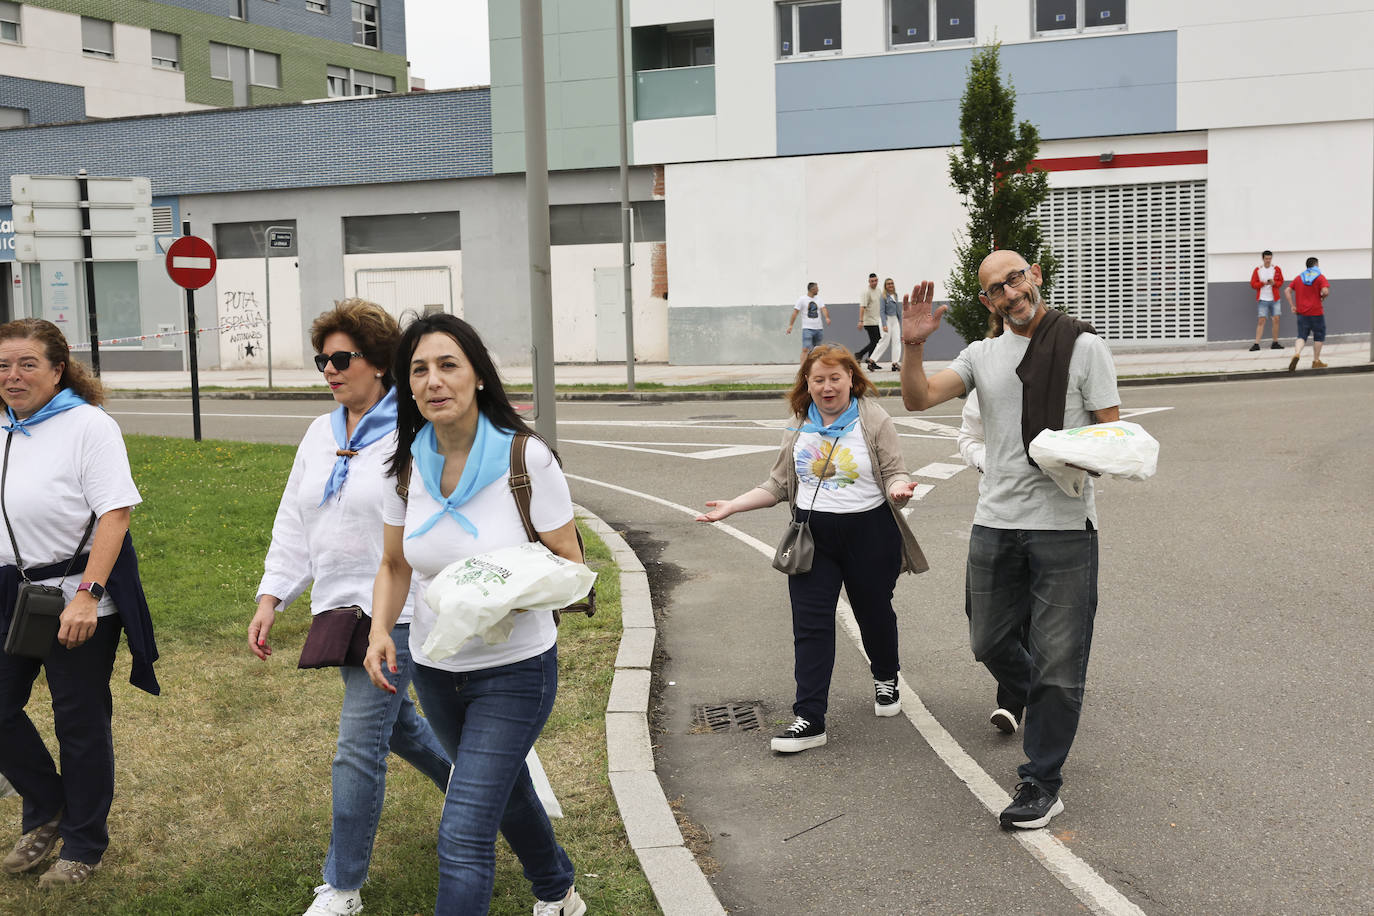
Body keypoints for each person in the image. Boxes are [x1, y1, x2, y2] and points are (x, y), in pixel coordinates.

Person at [363, 314, 585, 916]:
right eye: (419, 370)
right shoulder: (403, 463)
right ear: (407, 386)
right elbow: (392, 564)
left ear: (478, 376)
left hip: (515, 670)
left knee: (463, 832)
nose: (434, 381)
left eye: (448, 365)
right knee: (504, 790)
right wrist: (381, 629)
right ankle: (557, 889)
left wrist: (497, 585)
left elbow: (568, 560)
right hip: (436, 667)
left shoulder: (526, 458)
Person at [899, 251, 1120, 830]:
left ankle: (1041, 781)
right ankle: (1051, 699)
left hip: (1065, 526)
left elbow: (1110, 432)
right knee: (988, 640)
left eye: (1015, 279)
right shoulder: (980, 355)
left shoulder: (1082, 346)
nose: (1010, 293)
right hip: (995, 522)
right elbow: (919, 399)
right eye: (997, 288)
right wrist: (914, 345)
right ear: (987, 302)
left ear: (1035, 276)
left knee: (1059, 660)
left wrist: (1065, 450)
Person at [247, 300, 452, 916]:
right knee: (404, 730)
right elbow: (294, 519)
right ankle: (484, 793)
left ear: (380, 363)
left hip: (406, 611)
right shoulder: (321, 432)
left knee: (358, 744)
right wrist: (272, 594)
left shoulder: (414, 431)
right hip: (342, 610)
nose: (330, 371)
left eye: (343, 358)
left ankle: (341, 887)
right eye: (323, 361)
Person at [696, 344, 927, 754]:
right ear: (807, 383)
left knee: (873, 613)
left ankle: (886, 676)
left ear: (851, 379)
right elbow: (778, 484)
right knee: (811, 623)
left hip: (870, 533)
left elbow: (895, 472)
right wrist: (732, 506)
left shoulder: (873, 419)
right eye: (817, 379)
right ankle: (810, 718)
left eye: (834, 378)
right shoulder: (799, 423)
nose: (826, 387)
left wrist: (899, 489)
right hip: (812, 537)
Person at [0, 318, 157, 888]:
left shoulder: (89, 426)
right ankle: (49, 805)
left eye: (26, 365)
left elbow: (116, 513)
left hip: (73, 593)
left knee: (79, 723)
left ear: (57, 369)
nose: (12, 377)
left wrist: (88, 595)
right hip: (8, 591)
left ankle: (84, 844)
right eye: (2, 366)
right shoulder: (3, 425)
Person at [1283, 257, 1331, 371]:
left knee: (1302, 336)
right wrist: (1322, 297)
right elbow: (1325, 291)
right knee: (1318, 335)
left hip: (1302, 313)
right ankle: (1316, 361)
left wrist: (1292, 305)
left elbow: (1287, 290)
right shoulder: (1319, 277)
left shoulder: (1299, 277)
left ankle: (1297, 353)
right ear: (1316, 265)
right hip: (1316, 312)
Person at [1249, 251, 1285, 351]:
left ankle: (1275, 342)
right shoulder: (1258, 270)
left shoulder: (1276, 269)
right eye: (1266, 259)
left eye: (1269, 258)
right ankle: (1256, 344)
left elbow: (1281, 282)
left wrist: (1274, 283)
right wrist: (1262, 283)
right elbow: (1252, 284)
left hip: (1275, 299)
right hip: (1263, 299)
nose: (1268, 260)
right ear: (1263, 258)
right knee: (1261, 320)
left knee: (1276, 320)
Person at [785, 282, 830, 360]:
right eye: (817, 288)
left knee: (818, 350)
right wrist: (791, 325)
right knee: (805, 349)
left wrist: (827, 317)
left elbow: (824, 309)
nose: (818, 290)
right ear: (812, 289)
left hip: (819, 328)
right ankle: (803, 369)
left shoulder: (819, 299)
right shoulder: (802, 299)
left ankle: (815, 368)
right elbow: (795, 312)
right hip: (807, 328)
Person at [869, 277, 903, 370]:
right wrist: (884, 324)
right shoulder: (883, 297)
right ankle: (871, 361)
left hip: (895, 320)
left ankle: (895, 363)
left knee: (897, 341)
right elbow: (882, 311)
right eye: (888, 284)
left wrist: (901, 321)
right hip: (886, 320)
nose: (890, 285)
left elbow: (898, 310)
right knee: (885, 341)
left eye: (892, 283)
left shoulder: (895, 295)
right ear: (885, 286)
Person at [854, 273, 884, 371]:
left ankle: (869, 360)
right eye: (872, 281)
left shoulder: (879, 290)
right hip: (869, 321)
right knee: (876, 341)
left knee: (875, 341)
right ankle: (862, 356)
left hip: (877, 320)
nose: (874, 283)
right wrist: (860, 321)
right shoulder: (866, 292)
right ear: (869, 281)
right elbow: (862, 306)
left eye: (876, 281)